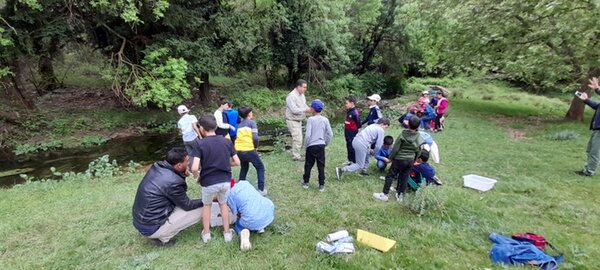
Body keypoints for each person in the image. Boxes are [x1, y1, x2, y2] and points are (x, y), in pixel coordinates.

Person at [132, 147, 204, 246]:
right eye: (187, 161)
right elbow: (188, 205)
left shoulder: (157, 167)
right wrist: (207, 199)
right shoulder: (173, 182)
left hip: (141, 221)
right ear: (179, 165)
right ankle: (163, 238)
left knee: (181, 204)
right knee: (204, 208)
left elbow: (174, 193)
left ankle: (162, 230)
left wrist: (182, 174)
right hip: (151, 227)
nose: (189, 163)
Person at [191, 115, 241, 243]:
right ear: (216, 126)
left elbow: (195, 167)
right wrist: (224, 164)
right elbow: (237, 162)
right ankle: (227, 233)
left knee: (206, 206)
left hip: (208, 182)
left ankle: (207, 234)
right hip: (225, 181)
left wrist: (196, 176)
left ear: (202, 128)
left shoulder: (199, 144)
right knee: (223, 204)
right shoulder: (227, 141)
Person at [373, 116, 424, 202]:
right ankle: (400, 195)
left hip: (400, 159)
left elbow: (396, 148)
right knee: (404, 176)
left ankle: (384, 195)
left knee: (390, 175)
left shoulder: (403, 135)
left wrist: (391, 158)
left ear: (408, 124)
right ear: (418, 126)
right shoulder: (419, 137)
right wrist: (414, 159)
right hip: (410, 160)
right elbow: (419, 150)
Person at [227, 180, 275, 251]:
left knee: (239, 223)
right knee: (256, 206)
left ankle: (242, 232)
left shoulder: (229, 195)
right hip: (267, 211)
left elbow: (235, 212)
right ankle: (260, 227)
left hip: (252, 219)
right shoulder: (244, 183)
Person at [302, 99, 333, 192]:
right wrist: (325, 143)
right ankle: (321, 185)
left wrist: (306, 145)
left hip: (311, 146)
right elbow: (330, 134)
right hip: (321, 145)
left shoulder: (310, 120)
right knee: (321, 165)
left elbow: (307, 135)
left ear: (313, 109)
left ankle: (306, 182)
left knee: (308, 164)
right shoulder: (325, 120)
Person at [235, 106, 267, 195]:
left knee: (244, 167)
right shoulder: (252, 123)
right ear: (249, 114)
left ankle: (240, 187)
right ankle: (261, 190)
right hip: (248, 149)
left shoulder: (239, 125)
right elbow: (255, 138)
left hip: (239, 150)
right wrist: (255, 147)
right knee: (260, 167)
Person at [576, 77, 600, 176]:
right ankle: (588, 169)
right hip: (597, 128)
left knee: (594, 151)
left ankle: (590, 171)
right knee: (590, 149)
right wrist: (586, 100)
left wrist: (597, 89)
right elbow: (598, 106)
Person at [285, 79, 311, 161]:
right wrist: (305, 110)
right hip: (292, 120)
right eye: (304, 87)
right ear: (298, 87)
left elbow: (304, 105)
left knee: (299, 137)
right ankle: (296, 156)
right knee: (298, 138)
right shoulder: (291, 96)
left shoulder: (302, 95)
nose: (305, 89)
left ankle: (297, 153)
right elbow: (294, 110)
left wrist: (310, 109)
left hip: (299, 120)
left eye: (306, 87)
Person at [343, 96, 361, 165]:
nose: (345, 105)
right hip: (347, 132)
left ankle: (354, 161)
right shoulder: (349, 111)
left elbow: (359, 124)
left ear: (352, 103)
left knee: (352, 147)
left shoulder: (355, 113)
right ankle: (349, 160)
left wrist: (354, 129)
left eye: (346, 103)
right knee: (348, 146)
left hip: (352, 133)